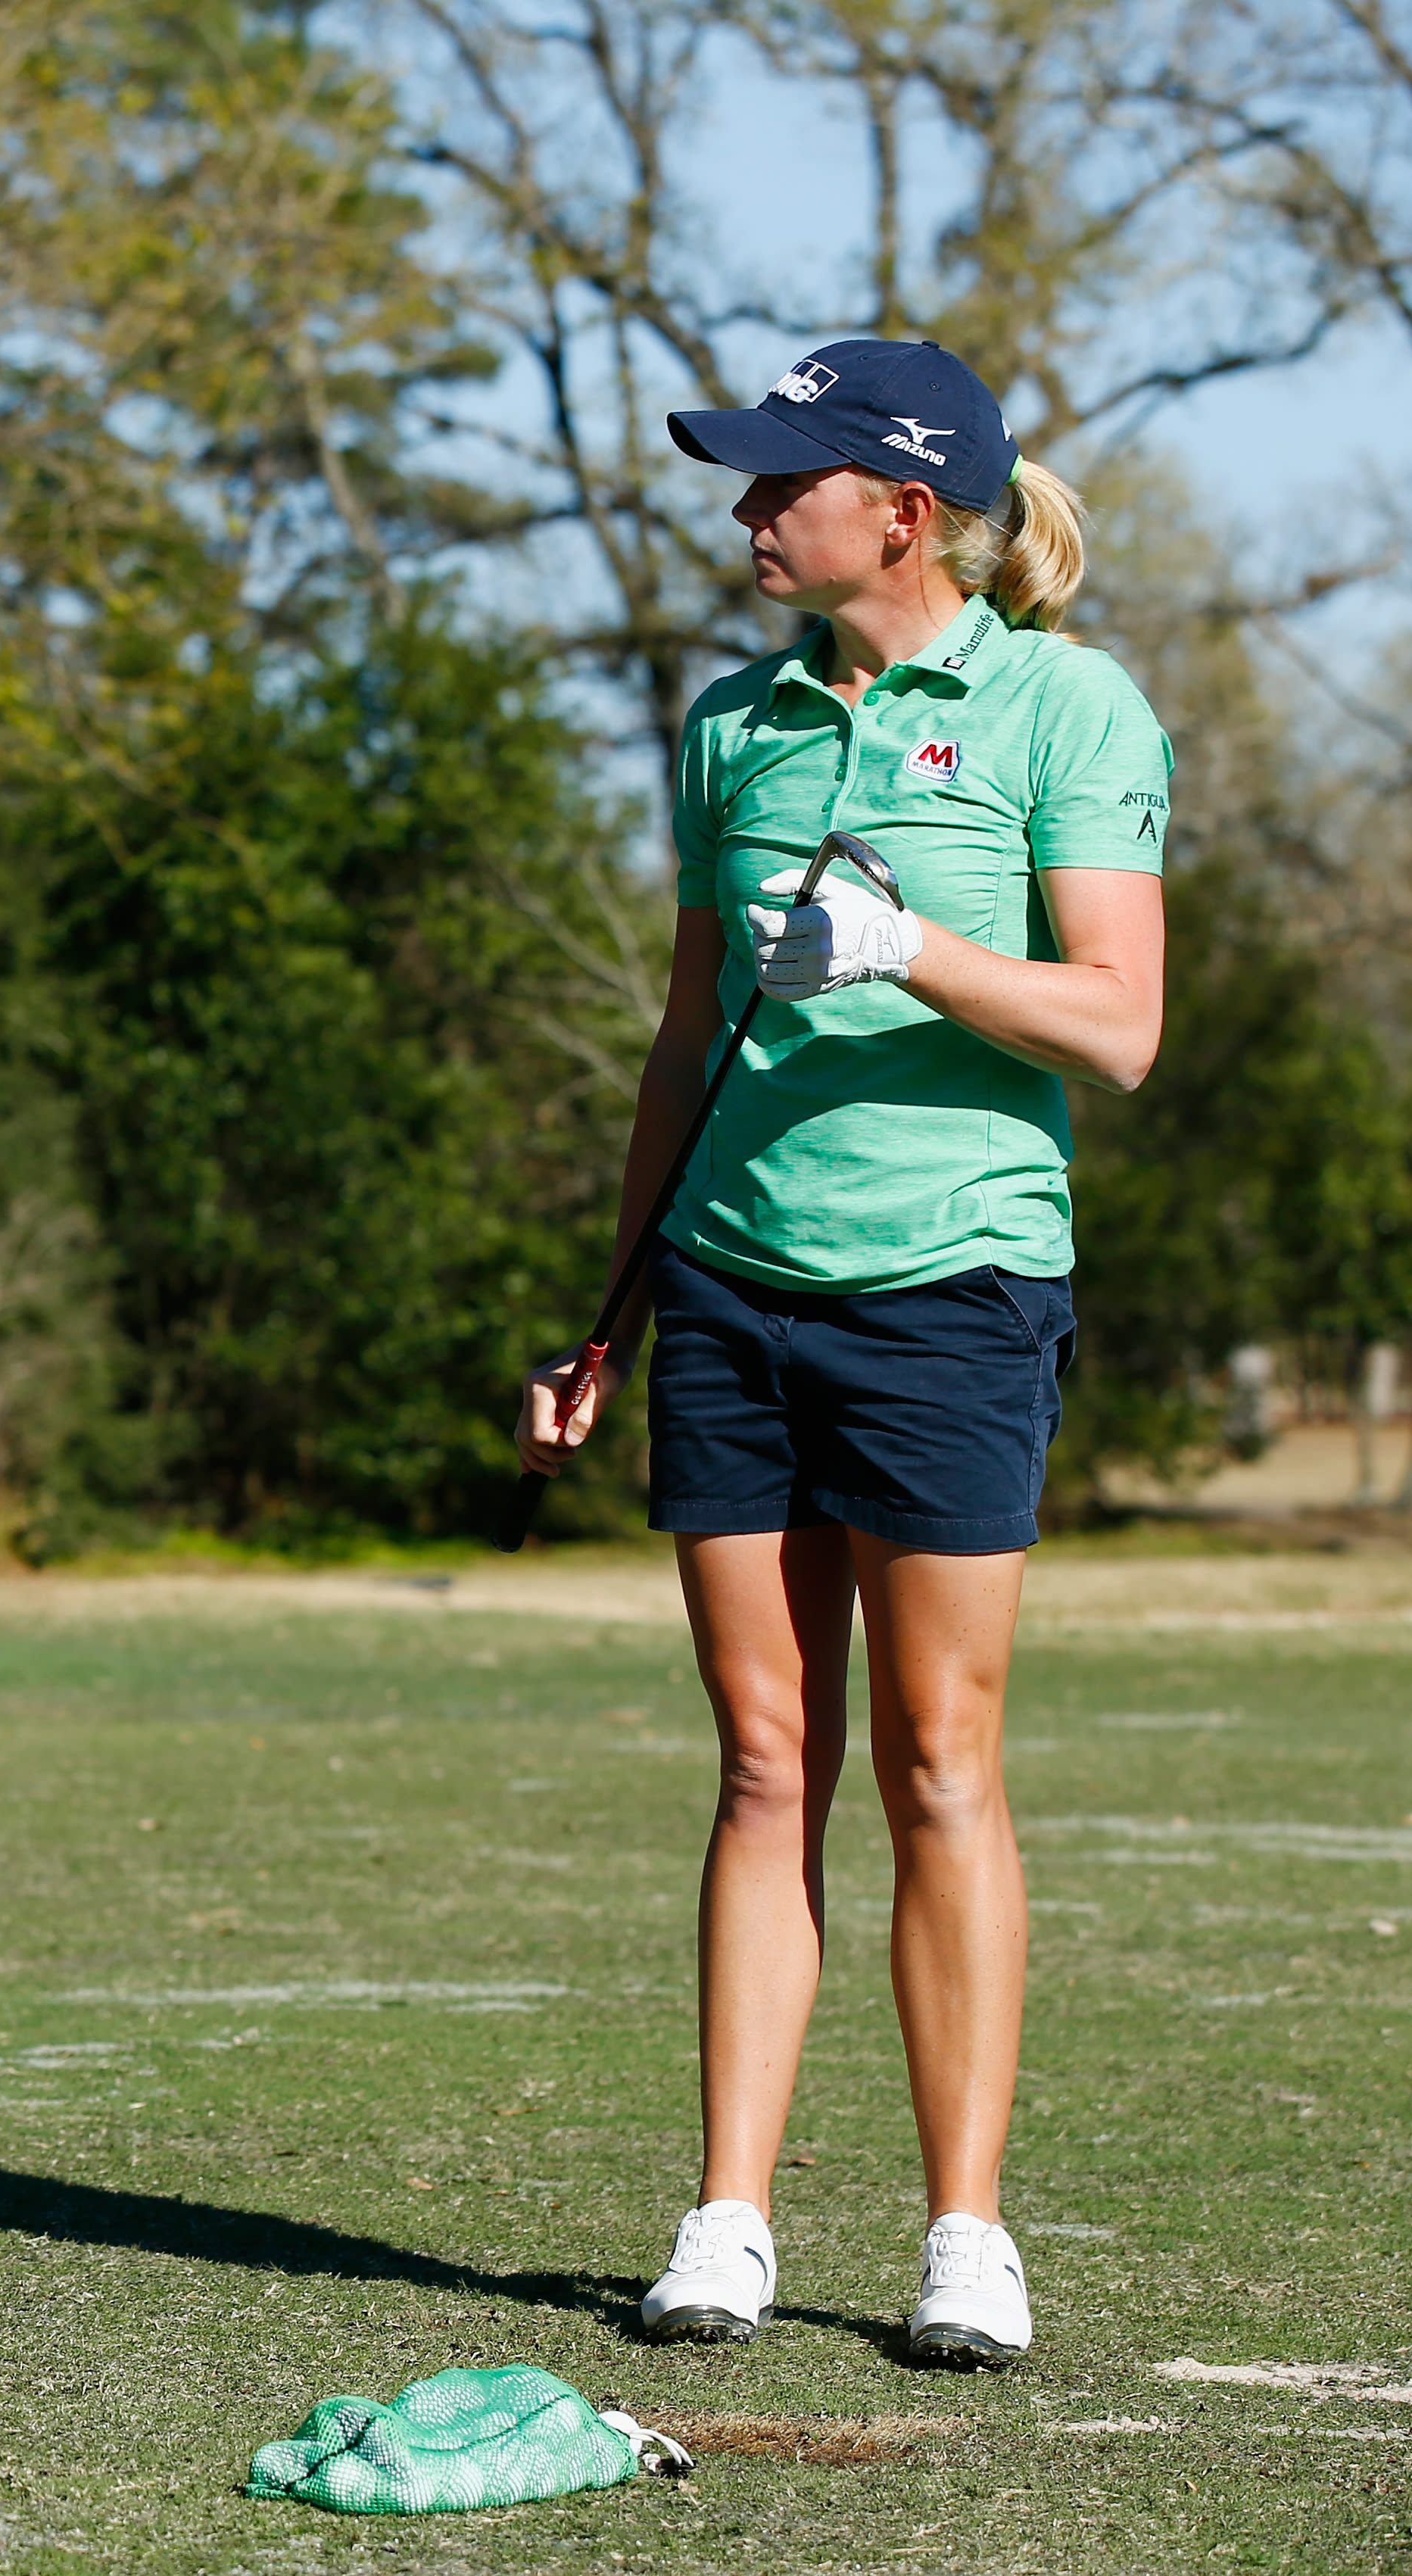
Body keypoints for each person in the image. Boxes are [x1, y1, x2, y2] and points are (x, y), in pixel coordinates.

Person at [513, 338, 1167, 2370]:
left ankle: (964, 2231)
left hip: (952, 1287)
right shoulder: (731, 732)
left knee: (933, 1763)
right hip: (727, 1289)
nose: (739, 510)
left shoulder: (1062, 703)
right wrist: (609, 1308)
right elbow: (682, 1044)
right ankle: (728, 2213)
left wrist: (909, 954)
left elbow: (1118, 1025)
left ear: (900, 505)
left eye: (776, 480)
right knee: (765, 1760)